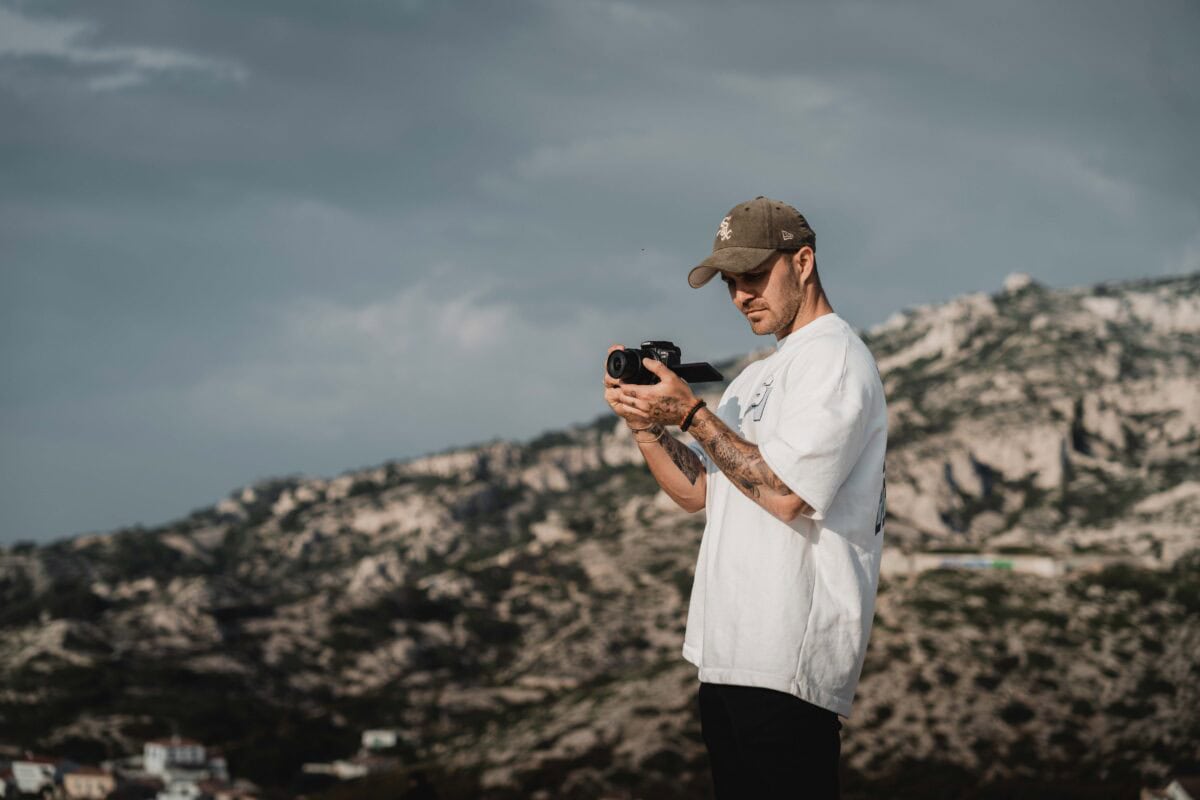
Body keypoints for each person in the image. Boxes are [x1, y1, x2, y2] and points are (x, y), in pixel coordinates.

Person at [603, 196, 888, 798]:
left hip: (787, 659)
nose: (741, 296)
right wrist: (647, 427)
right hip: (729, 655)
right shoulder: (758, 375)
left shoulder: (835, 360)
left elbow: (785, 492)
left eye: (754, 277)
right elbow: (701, 491)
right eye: (731, 283)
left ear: (803, 262)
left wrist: (693, 414)